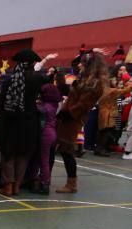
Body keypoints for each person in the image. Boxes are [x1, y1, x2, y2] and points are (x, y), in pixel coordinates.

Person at [53, 52, 107, 193]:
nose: (79, 65)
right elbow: (70, 92)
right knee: (61, 148)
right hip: (67, 116)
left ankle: (72, 184)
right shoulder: (85, 79)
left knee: (67, 150)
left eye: (82, 63)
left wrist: (68, 112)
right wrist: (59, 76)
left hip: (73, 119)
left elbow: (84, 104)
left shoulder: (95, 84)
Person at [0, 49, 46, 196]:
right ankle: (17, 185)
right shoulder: (38, 79)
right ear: (32, 64)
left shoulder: (9, 81)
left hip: (11, 121)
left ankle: (8, 186)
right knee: (23, 155)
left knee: (8, 154)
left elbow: (1, 103)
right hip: (29, 122)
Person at [95, 78, 132, 157]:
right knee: (106, 132)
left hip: (102, 113)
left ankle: (98, 149)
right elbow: (126, 90)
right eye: (113, 81)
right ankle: (102, 149)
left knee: (101, 132)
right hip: (109, 114)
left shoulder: (102, 90)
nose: (115, 82)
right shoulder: (111, 90)